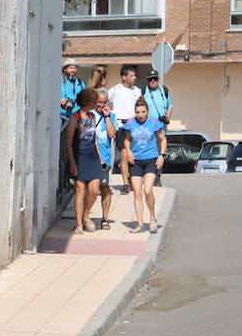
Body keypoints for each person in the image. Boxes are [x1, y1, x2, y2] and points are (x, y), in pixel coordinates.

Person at [64, 87, 114, 234]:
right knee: (80, 190)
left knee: (93, 190)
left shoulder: (92, 117)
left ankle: (86, 214)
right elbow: (68, 142)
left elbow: (96, 140)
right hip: (80, 158)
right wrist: (72, 162)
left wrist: (100, 159)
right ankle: (79, 224)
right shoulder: (75, 118)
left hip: (93, 158)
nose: (96, 103)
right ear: (88, 101)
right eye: (94, 100)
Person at [120, 97, 166, 233]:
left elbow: (163, 139)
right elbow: (127, 140)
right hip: (136, 161)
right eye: (138, 112)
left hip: (151, 159)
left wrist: (161, 155)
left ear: (147, 111)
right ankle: (140, 223)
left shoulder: (154, 123)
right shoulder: (130, 123)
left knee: (147, 190)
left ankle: (152, 217)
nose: (140, 115)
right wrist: (128, 151)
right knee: (137, 193)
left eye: (143, 112)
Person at [107, 65, 142, 189]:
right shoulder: (115, 90)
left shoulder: (137, 91)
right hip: (122, 126)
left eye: (134, 75)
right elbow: (103, 100)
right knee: (123, 153)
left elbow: (141, 106)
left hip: (135, 126)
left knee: (134, 154)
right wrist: (110, 115)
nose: (134, 78)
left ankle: (134, 179)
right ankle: (126, 183)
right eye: (131, 76)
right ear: (124, 77)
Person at [93, 91, 119, 229]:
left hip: (106, 158)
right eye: (99, 102)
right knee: (89, 190)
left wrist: (107, 116)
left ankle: (104, 219)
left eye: (104, 102)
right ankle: (85, 217)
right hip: (91, 158)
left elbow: (112, 133)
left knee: (105, 188)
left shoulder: (111, 116)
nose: (102, 105)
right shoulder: (89, 115)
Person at [60, 59, 85, 126]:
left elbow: (86, 99)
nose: (73, 70)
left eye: (75, 68)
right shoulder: (58, 81)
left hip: (77, 119)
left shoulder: (80, 83)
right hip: (60, 118)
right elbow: (48, 97)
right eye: (71, 68)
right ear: (65, 69)